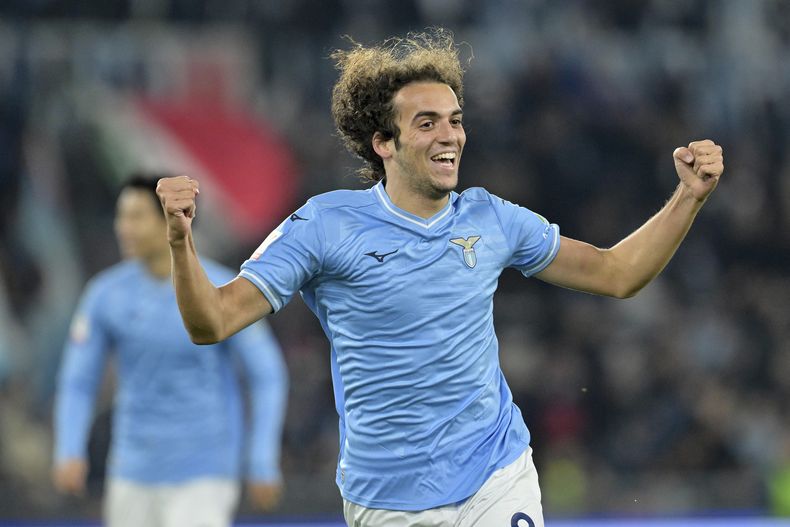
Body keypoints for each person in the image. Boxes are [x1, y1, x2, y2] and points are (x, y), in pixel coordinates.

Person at [156, 29, 724, 527]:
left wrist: (688, 198)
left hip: (495, 475)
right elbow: (214, 321)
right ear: (384, 143)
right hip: (389, 500)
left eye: (454, 121)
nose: (449, 135)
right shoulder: (324, 225)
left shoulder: (492, 218)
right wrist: (182, 243)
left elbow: (617, 273)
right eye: (426, 124)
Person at [52, 175, 288, 527]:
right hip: (131, 470)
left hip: (204, 471)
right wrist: (69, 448)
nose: (124, 228)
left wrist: (261, 458)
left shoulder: (224, 288)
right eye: (121, 217)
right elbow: (78, 380)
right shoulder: (105, 295)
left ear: (167, 219)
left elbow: (267, 373)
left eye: (136, 217)